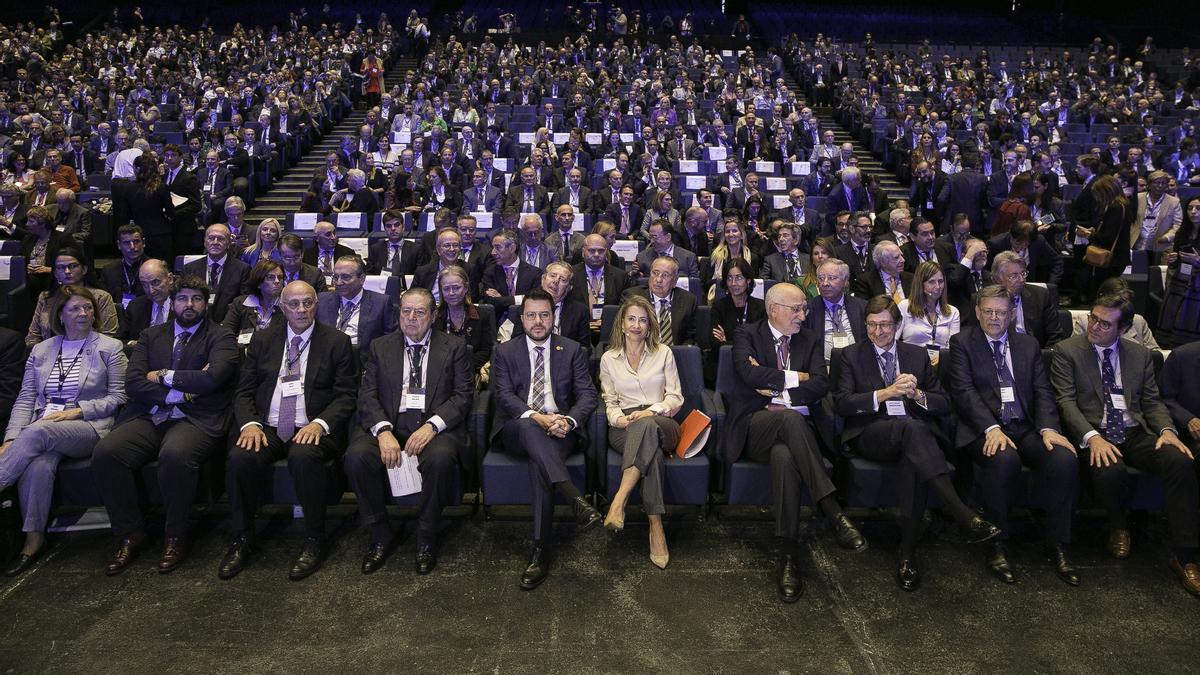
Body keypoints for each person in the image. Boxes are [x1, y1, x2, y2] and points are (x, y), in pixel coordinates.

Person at [834, 296, 1000, 591]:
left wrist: (917, 395)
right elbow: (843, 404)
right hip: (872, 433)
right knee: (914, 432)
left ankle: (907, 554)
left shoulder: (916, 355)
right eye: (871, 325)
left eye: (884, 324)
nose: (878, 331)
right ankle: (962, 512)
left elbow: (942, 402)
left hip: (912, 435)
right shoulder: (850, 355)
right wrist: (885, 393)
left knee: (914, 453)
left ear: (897, 326)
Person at [1050, 293, 1198, 597]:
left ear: (1124, 328)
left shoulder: (1139, 355)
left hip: (1134, 430)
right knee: (1108, 466)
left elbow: (1152, 402)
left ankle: (1185, 555)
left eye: (1105, 324)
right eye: (1093, 318)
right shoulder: (1068, 351)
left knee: (1179, 459)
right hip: (1095, 429)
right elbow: (1065, 402)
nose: (1095, 326)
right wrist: (1092, 438)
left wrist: (1167, 430)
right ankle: (1119, 525)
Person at [92, 276, 239, 576]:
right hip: (151, 414)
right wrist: (180, 389)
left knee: (175, 455)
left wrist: (160, 375)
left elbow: (213, 379)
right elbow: (133, 383)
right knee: (107, 452)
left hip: (197, 417)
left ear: (205, 303)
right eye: (183, 298)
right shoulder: (150, 335)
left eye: (196, 298)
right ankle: (130, 533)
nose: (189, 305)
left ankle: (175, 535)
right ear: (172, 302)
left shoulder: (220, 336)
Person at [220, 281, 358, 581]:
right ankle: (243, 538)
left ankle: (314, 538)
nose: (302, 310)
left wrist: (319, 423)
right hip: (267, 426)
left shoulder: (336, 341)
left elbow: (346, 395)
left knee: (304, 457)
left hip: (311, 424)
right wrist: (250, 424)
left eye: (308, 302)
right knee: (240, 459)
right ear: (282, 307)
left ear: (316, 305)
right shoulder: (263, 339)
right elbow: (243, 391)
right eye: (294, 304)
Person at [947, 286, 1079, 586]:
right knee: (1003, 458)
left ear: (1011, 314)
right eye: (989, 311)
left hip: (1026, 426)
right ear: (978, 311)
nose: (994, 318)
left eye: (1001, 312)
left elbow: (1043, 391)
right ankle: (997, 542)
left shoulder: (1028, 345)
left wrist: (1049, 429)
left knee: (1064, 459)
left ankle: (1057, 543)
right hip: (984, 428)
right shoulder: (962, 343)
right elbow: (964, 394)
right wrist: (991, 428)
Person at [344, 286, 473, 574]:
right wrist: (383, 431)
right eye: (406, 311)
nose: (411, 318)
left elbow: (463, 396)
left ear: (433, 315)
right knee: (357, 457)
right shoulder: (381, 346)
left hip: (434, 424)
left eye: (419, 312)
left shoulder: (454, 348)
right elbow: (367, 395)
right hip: (389, 421)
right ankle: (380, 533)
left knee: (440, 460)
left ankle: (426, 535)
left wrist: (432, 426)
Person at [0, 287, 128, 576]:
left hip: (89, 427)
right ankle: (33, 542)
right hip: (45, 428)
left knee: (39, 432)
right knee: (39, 465)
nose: (83, 313)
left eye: (87, 308)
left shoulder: (110, 347)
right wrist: (10, 439)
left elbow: (118, 397)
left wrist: (78, 410)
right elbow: (26, 398)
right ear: (60, 313)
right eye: (75, 309)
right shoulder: (42, 351)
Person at [489, 290, 601, 590]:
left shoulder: (573, 349)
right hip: (518, 428)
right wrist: (536, 417)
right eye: (531, 315)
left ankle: (540, 550)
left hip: (560, 429)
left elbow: (588, 394)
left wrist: (568, 420)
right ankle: (574, 497)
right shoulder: (505, 351)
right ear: (521, 318)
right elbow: (503, 396)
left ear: (554, 317)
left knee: (542, 463)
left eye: (544, 315)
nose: (538, 322)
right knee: (529, 428)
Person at [599, 295, 684, 569]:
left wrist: (652, 411)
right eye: (632, 319)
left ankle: (619, 500)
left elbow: (675, 397)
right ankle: (656, 526)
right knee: (653, 455)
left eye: (643, 320)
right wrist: (617, 419)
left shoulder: (663, 353)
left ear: (650, 326)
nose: (636, 325)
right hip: (625, 426)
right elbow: (610, 401)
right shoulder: (608, 359)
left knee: (647, 426)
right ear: (622, 324)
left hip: (663, 422)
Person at [25, 247, 120, 346]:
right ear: (55, 273)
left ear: (84, 269)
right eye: (60, 267)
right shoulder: (46, 297)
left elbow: (109, 335)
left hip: (90, 354)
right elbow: (33, 337)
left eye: (73, 266)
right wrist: (41, 354)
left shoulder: (101, 297)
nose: (67, 271)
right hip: (50, 355)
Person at [317, 255, 397, 356]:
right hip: (328, 360)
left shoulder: (381, 303)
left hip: (363, 362)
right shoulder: (322, 300)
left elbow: (392, 340)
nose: (338, 282)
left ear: (362, 278)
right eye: (336, 277)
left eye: (346, 277)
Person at [988, 251, 1064, 347]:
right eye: (1014, 276)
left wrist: (1044, 357)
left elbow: (1055, 335)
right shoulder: (983, 300)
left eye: (1023, 273)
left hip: (1033, 354)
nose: (1021, 280)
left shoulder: (1040, 295)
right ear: (997, 279)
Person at [182, 223, 252, 324]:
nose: (215, 242)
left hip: (227, 326)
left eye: (221, 239)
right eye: (211, 238)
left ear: (229, 243)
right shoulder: (189, 269)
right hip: (194, 324)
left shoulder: (242, 269)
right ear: (205, 242)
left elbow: (243, 304)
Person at [1077, 175, 1133, 299]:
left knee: (1104, 293)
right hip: (1119, 257)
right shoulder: (1124, 205)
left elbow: (1108, 237)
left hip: (1112, 259)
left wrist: (1089, 234)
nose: (1096, 198)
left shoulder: (1115, 208)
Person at [435, 265, 495, 375]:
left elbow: (486, 351)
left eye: (456, 288)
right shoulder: (433, 317)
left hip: (471, 372)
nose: (451, 293)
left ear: (466, 288)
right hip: (440, 373)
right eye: (446, 289)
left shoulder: (482, 316)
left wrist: (460, 366)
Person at [113, 153, 174, 261]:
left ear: (137, 169)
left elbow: (124, 216)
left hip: (139, 235)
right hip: (161, 234)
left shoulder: (128, 188)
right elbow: (171, 212)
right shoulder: (162, 187)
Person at [624, 257, 697, 346]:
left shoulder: (688, 300)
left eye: (665, 275)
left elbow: (691, 337)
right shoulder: (632, 296)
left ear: (675, 280)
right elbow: (623, 330)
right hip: (641, 350)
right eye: (655, 273)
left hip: (675, 354)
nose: (658, 280)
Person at [1070, 278, 1160, 350]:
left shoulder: (1138, 322)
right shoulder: (1085, 322)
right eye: (1115, 303)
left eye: (1124, 302)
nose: (1121, 307)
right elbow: (1072, 353)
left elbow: (1155, 354)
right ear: (1102, 298)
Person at [897, 261, 959, 364]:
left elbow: (954, 348)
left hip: (942, 365)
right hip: (911, 363)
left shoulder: (952, 312)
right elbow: (893, 339)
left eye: (940, 281)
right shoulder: (905, 307)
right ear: (920, 284)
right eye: (931, 282)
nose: (938, 287)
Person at [1158, 196, 1200, 346]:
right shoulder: (1182, 232)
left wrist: (1198, 261)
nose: (1193, 212)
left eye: (1198, 208)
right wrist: (1173, 261)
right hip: (1179, 282)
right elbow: (1175, 263)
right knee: (1170, 322)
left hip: (1197, 288)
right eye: (1189, 208)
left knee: (1189, 324)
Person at [222, 260, 285, 340]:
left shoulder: (286, 306)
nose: (277, 281)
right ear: (258, 282)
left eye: (280, 277)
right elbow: (225, 332)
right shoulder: (240, 303)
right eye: (270, 277)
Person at [710, 258, 766, 348]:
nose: (733, 283)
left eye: (739, 278)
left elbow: (763, 343)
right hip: (727, 359)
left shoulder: (761, 307)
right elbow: (716, 344)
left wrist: (726, 342)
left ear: (748, 280)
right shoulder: (719, 307)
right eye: (729, 278)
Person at [19, 205, 68, 301]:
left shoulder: (62, 239)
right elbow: (20, 259)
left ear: (42, 224)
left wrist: (49, 269)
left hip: (53, 279)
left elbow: (73, 262)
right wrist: (26, 267)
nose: (27, 224)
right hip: (31, 278)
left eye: (31, 221)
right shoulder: (28, 239)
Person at [366, 210, 420, 277]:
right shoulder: (375, 249)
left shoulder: (415, 249)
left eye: (396, 225)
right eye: (389, 226)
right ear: (385, 229)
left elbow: (419, 275)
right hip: (382, 286)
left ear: (403, 227)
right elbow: (369, 274)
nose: (393, 228)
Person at [759, 221, 812, 285]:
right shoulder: (770, 260)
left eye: (785, 236)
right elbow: (763, 284)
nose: (781, 239)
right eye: (779, 236)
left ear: (796, 240)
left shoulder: (809, 259)